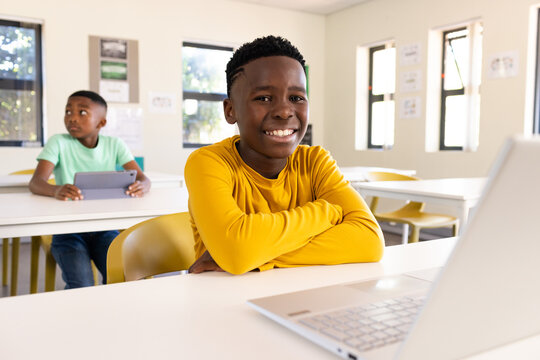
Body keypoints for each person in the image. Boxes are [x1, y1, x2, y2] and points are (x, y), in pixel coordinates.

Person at [185, 36, 384, 275]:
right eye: (264, 98)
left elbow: (370, 241)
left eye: (296, 98)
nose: (284, 111)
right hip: (222, 299)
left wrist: (256, 256)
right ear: (231, 110)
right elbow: (237, 251)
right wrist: (326, 212)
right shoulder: (209, 162)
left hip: (303, 296)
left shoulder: (316, 162)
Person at [29, 90, 151, 288]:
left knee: (122, 278)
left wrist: (142, 186)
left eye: (82, 113)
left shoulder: (114, 144)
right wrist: (56, 190)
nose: (72, 118)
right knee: (82, 285)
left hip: (104, 227)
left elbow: (143, 179)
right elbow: (36, 183)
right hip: (67, 230)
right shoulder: (58, 142)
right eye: (68, 112)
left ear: (101, 123)